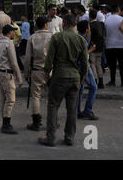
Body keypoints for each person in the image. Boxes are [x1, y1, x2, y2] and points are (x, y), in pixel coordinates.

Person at [38, 15, 88, 147]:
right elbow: (85, 64)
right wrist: (82, 78)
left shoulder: (57, 37)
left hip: (59, 76)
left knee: (53, 106)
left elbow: (49, 59)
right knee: (71, 109)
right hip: (75, 77)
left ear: (64, 23)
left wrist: (46, 75)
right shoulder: (81, 40)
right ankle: (69, 137)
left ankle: (51, 137)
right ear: (75, 24)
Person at [0, 24, 23, 134]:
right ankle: (6, 123)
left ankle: (4, 122)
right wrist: (19, 78)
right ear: (9, 32)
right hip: (6, 73)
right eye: (13, 31)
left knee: (3, 99)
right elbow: (14, 63)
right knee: (10, 99)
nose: (14, 33)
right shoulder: (9, 44)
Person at [24, 16, 52, 131]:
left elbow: (27, 58)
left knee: (35, 96)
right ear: (45, 24)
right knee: (51, 97)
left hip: (36, 71)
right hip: (50, 71)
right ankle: (52, 121)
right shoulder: (52, 37)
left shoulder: (32, 38)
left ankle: (36, 122)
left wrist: (26, 74)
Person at [76, 20, 99, 120]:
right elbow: (83, 56)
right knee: (93, 87)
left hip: (78, 66)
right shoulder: (83, 40)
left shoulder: (78, 38)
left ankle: (77, 111)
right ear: (87, 29)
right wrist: (91, 49)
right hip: (83, 66)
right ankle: (88, 110)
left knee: (80, 89)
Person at [104, 5, 123, 87]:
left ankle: (112, 81)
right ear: (118, 10)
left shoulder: (106, 19)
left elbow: (105, 32)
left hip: (110, 45)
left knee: (112, 65)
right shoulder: (122, 19)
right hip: (122, 45)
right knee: (122, 65)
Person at [89, 9, 106, 89]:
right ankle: (101, 82)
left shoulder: (90, 25)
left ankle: (94, 81)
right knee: (98, 64)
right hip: (100, 47)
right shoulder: (101, 24)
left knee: (93, 65)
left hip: (92, 48)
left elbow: (89, 38)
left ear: (89, 16)